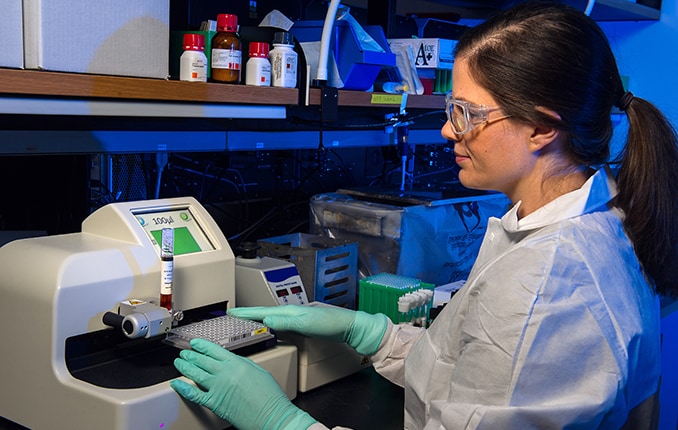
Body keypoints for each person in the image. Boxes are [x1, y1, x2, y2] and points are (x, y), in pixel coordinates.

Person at [170, 2, 678, 428]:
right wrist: (372, 333)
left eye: (468, 114)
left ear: (542, 129)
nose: (448, 132)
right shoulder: (600, 217)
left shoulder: (545, 288)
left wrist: (284, 422)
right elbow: (475, 371)